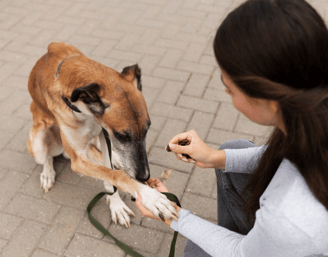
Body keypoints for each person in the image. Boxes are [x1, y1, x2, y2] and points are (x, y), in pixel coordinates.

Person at [135, 0, 328, 256]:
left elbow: (240, 253)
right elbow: (282, 158)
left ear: (269, 100)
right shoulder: (313, 107)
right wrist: (215, 157)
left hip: (278, 240)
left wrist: (171, 214)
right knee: (232, 151)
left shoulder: (291, 215)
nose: (225, 91)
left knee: (197, 249)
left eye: (229, 88)